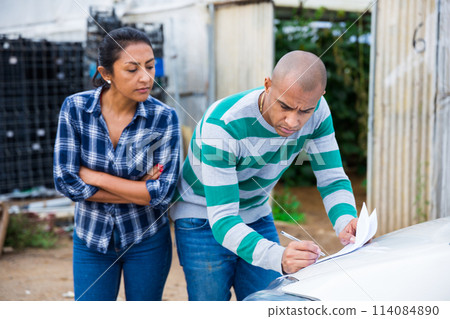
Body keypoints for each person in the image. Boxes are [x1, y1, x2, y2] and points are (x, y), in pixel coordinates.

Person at [170, 51, 359, 301]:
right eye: (284, 106)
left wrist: (346, 221)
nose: (292, 121)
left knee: (266, 304)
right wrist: (279, 257)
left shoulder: (319, 112)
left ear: (319, 98)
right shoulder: (222, 124)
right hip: (202, 216)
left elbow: (332, 178)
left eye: (304, 111)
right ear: (267, 85)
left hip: (256, 212)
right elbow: (224, 221)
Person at [53, 27, 180, 301]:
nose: (145, 77)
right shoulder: (75, 109)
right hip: (91, 240)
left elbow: (162, 194)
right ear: (106, 73)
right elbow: (65, 181)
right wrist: (138, 190)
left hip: (147, 241)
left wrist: (93, 176)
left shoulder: (164, 118)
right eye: (132, 69)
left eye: (149, 66)